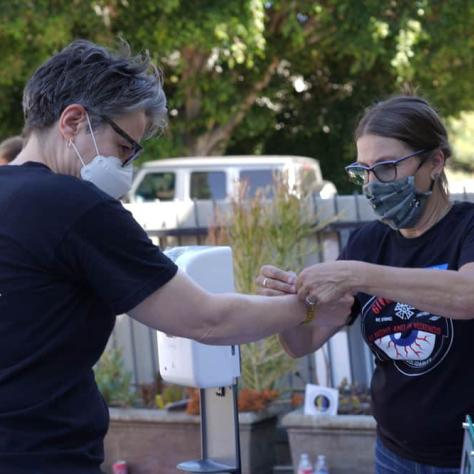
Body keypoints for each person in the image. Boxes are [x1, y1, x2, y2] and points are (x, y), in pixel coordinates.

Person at [0, 40, 353, 474]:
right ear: (73, 121)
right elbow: (207, 319)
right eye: (124, 146)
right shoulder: (74, 206)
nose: (126, 167)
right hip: (38, 454)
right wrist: (309, 306)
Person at [257, 95, 473, 474]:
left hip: (465, 455)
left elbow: (467, 296)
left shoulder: (466, 228)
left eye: (386, 167)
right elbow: (303, 343)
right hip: (393, 453)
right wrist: (289, 305)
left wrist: (359, 275)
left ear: (435, 162)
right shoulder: (367, 243)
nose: (372, 185)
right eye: (364, 171)